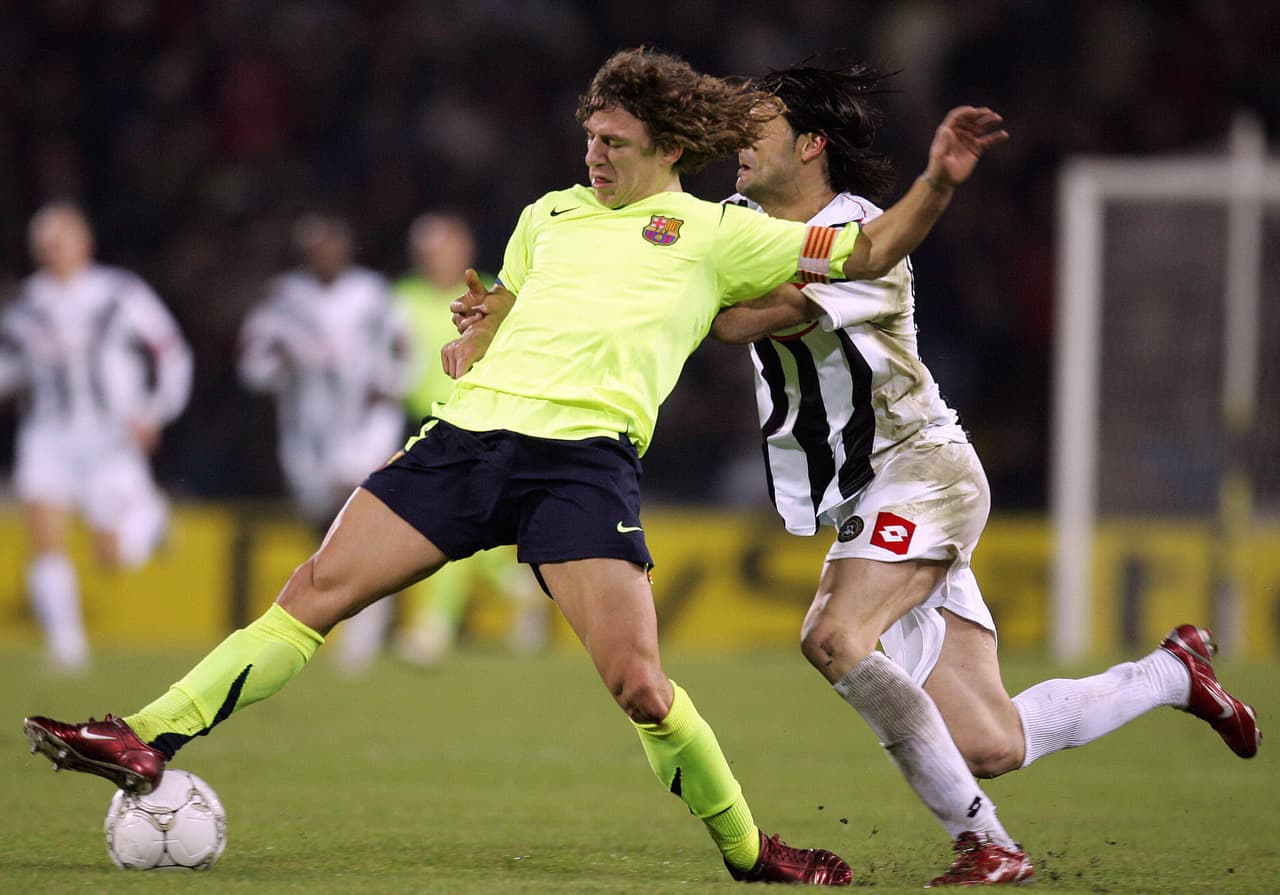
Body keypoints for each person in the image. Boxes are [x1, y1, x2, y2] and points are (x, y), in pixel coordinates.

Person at [24, 47, 1005, 885]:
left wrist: (941, 180)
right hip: (467, 439)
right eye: (588, 137)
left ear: (668, 146)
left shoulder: (721, 231)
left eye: (613, 142)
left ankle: (749, 851)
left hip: (579, 464)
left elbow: (871, 246)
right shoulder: (550, 215)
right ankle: (142, 734)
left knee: (638, 686)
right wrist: (475, 336)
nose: (593, 155)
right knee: (312, 591)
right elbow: (508, 301)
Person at [708, 62, 1262, 886]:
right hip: (861, 496)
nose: (736, 140)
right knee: (989, 742)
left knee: (833, 636)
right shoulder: (736, 218)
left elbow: (747, 317)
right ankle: (1171, 673)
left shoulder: (864, 235)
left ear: (812, 143)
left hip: (921, 471)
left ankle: (988, 844)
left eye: (756, 124)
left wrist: (933, 182)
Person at [0, 201, 192, 672]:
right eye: (44, 242)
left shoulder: (119, 293)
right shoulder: (27, 304)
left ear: (84, 242)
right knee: (44, 533)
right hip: (48, 433)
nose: (52, 250)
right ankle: (68, 648)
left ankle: (151, 524)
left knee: (109, 555)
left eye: (60, 239)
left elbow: (170, 352)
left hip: (109, 436)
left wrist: (156, 410)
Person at [236, 212, 413, 673]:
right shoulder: (283, 300)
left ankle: (365, 633)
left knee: (352, 515)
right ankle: (362, 616)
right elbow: (251, 365)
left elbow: (404, 348)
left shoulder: (372, 294)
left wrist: (391, 381)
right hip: (307, 435)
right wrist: (280, 365)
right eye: (317, 248)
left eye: (333, 246)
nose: (326, 256)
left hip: (365, 427)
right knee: (327, 532)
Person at [385, 212, 546, 667]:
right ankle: (517, 588)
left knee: (443, 520)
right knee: (457, 525)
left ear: (464, 251)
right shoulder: (401, 299)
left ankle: (433, 628)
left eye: (444, 249)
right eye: (428, 251)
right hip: (419, 424)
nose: (435, 259)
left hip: (479, 422)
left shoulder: (494, 295)